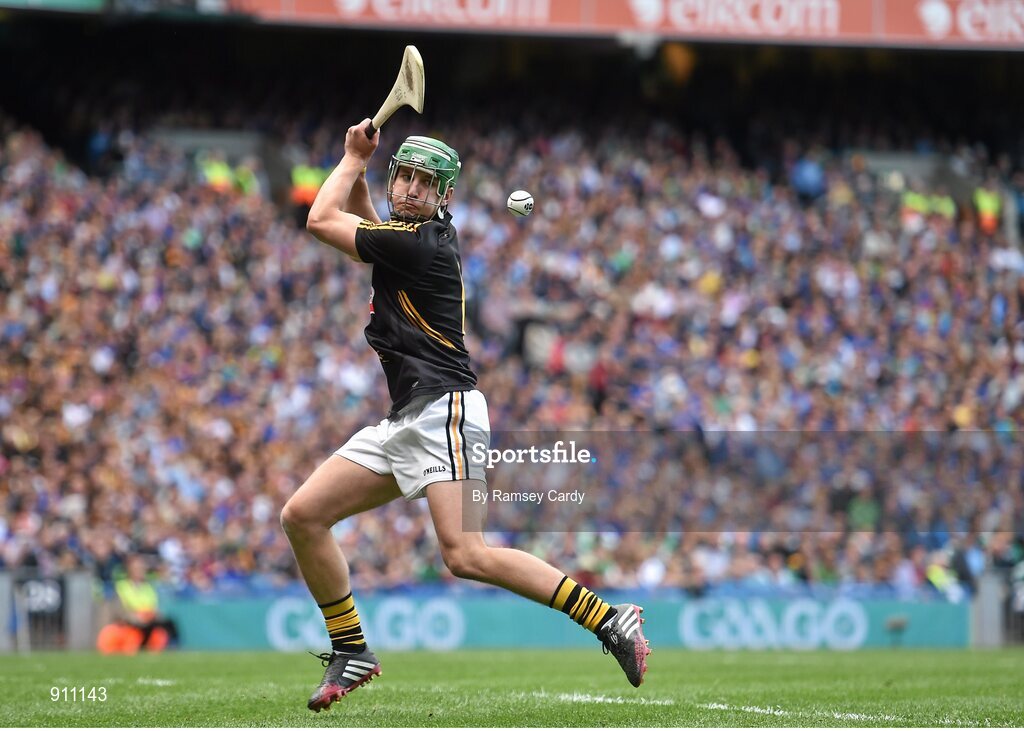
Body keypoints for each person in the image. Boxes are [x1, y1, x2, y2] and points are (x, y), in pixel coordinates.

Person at [281, 119, 651, 713]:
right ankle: (352, 650)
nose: (406, 190)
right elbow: (367, 219)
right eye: (402, 176)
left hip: (445, 411)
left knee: (466, 554)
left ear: (442, 196)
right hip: (407, 416)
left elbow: (320, 220)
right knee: (302, 516)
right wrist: (367, 171)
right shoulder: (404, 235)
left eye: (422, 184)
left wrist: (352, 158)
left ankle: (611, 620)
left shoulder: (422, 242)